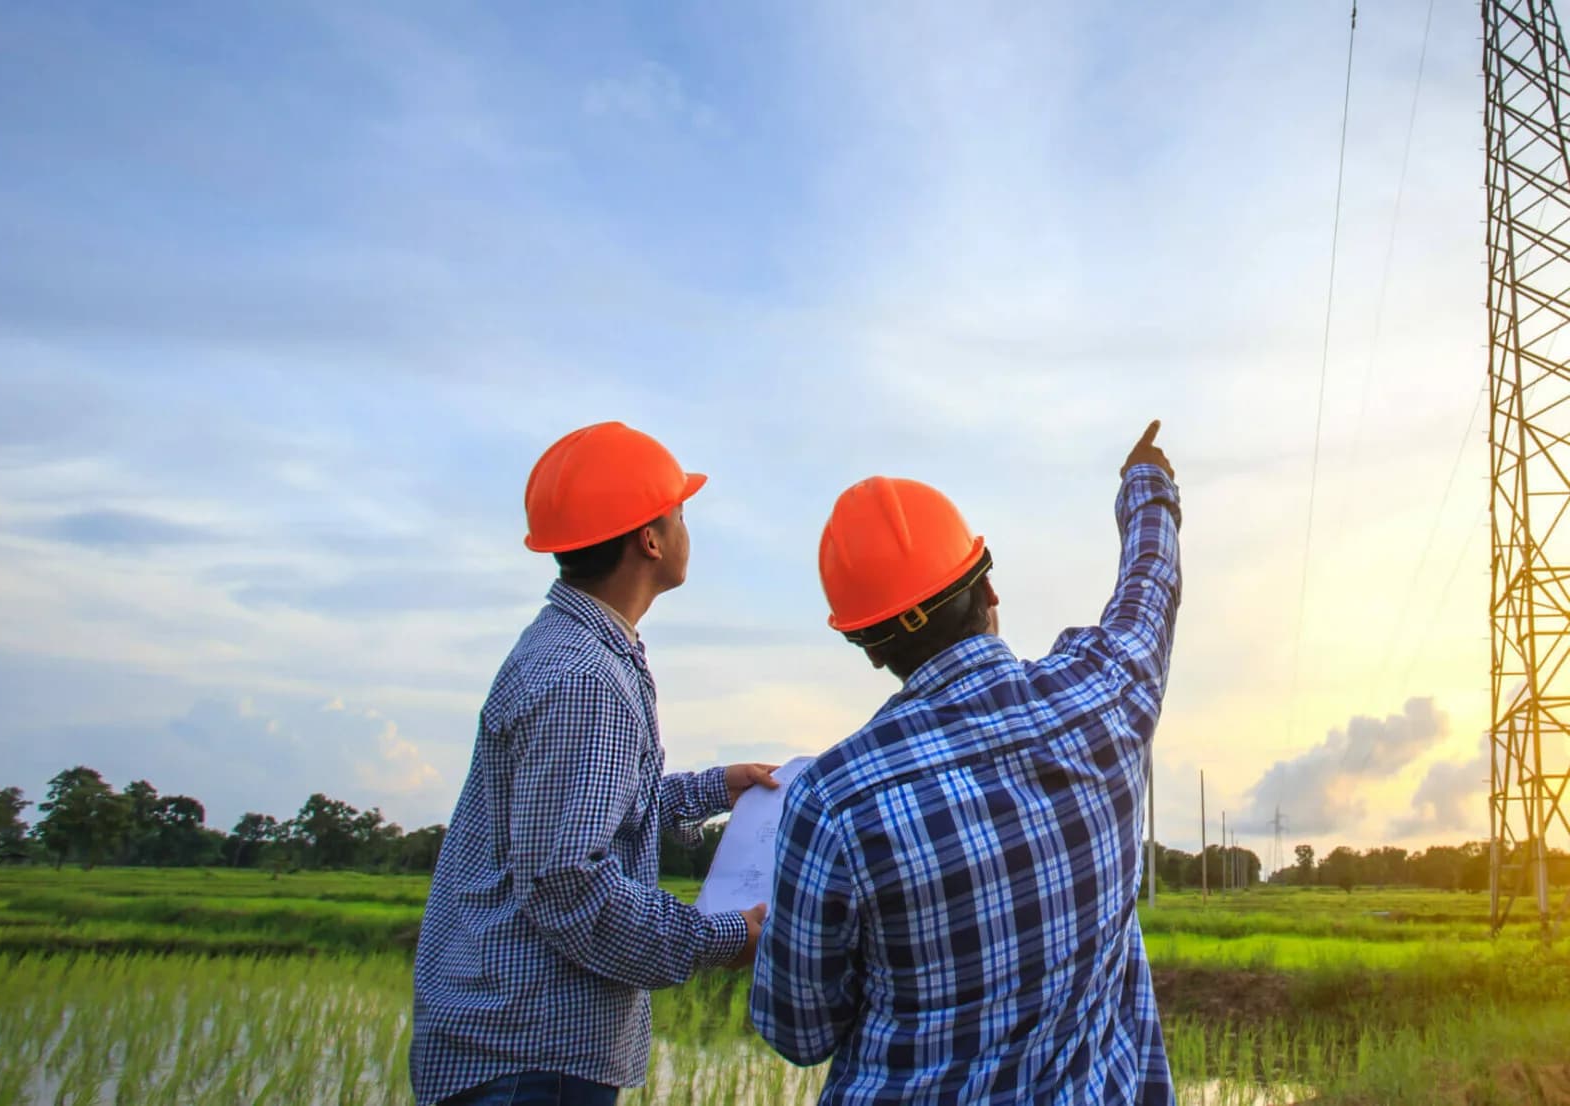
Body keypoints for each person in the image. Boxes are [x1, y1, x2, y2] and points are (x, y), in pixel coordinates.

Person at [750, 421, 1181, 1104]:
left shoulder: (834, 801)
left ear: (867, 647)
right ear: (989, 591)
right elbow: (1149, 591)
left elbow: (798, 1033)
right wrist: (1146, 487)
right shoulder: (1104, 697)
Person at [412, 421, 776, 1106]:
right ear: (650, 538)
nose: (686, 526)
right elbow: (567, 881)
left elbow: (590, 814)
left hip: (517, 1053)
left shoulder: (575, 650)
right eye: (679, 510)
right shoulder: (584, 679)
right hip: (529, 1061)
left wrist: (709, 789)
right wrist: (722, 936)